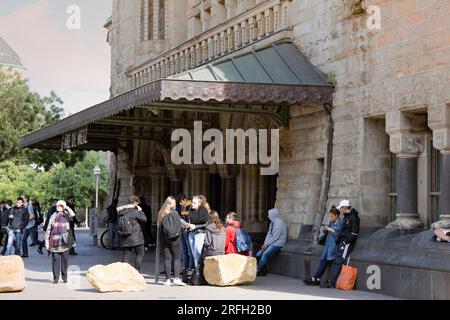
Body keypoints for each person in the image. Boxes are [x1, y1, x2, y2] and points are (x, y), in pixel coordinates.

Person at [325, 199, 360, 288]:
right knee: (337, 259)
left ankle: (332, 281)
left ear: (345, 207)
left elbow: (354, 233)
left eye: (341, 208)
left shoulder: (353, 217)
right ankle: (331, 280)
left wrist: (345, 242)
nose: (340, 210)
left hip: (346, 243)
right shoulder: (346, 216)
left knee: (339, 260)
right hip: (342, 241)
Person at [303, 206, 342, 286]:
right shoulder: (331, 222)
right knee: (323, 261)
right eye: (330, 216)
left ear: (337, 215)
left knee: (328, 262)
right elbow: (326, 233)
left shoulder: (340, 223)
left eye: (332, 216)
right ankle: (316, 278)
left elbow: (338, 236)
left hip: (334, 247)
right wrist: (325, 229)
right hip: (328, 245)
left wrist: (331, 230)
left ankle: (316, 278)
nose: (330, 218)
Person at [45, 200, 76, 284]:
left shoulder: (66, 215)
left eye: (60, 206)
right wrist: (46, 242)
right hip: (54, 242)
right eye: (57, 206)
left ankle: (64, 277)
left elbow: (73, 214)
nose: (58, 207)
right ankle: (55, 278)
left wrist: (66, 207)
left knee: (65, 261)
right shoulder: (53, 216)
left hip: (65, 242)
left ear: (63, 207)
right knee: (55, 261)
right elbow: (48, 229)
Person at [157, 196, 185, 286]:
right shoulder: (174, 212)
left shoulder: (161, 212)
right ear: (172, 204)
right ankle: (176, 278)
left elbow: (158, 225)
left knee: (167, 258)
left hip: (164, 238)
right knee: (177, 257)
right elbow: (179, 225)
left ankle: (167, 280)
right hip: (174, 238)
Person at [117, 195, 147, 271]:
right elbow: (144, 219)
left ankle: (125, 273)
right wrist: (140, 211)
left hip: (125, 236)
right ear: (136, 202)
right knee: (140, 254)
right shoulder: (136, 212)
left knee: (126, 255)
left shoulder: (122, 212)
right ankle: (136, 271)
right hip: (136, 237)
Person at [255, 208, 287, 276]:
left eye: (269, 215)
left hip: (278, 243)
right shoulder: (272, 223)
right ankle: (263, 271)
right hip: (271, 242)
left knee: (265, 254)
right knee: (259, 254)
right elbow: (269, 234)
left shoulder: (279, 223)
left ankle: (258, 269)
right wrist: (265, 243)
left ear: (273, 215)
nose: (268, 216)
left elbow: (276, 237)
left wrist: (267, 245)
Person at [187, 195, 210, 268]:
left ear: (199, 203)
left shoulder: (204, 211)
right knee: (192, 253)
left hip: (199, 233)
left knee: (197, 253)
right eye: (192, 202)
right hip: (191, 232)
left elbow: (206, 223)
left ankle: (198, 271)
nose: (192, 204)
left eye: (194, 203)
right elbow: (190, 220)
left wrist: (195, 226)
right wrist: (187, 225)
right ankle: (196, 270)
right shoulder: (191, 210)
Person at [176, 193, 194, 275]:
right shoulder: (182, 206)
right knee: (184, 250)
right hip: (183, 229)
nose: (180, 204)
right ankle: (184, 267)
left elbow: (189, 216)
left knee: (189, 250)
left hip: (188, 229)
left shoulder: (190, 205)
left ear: (184, 200)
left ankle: (190, 268)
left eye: (180, 202)